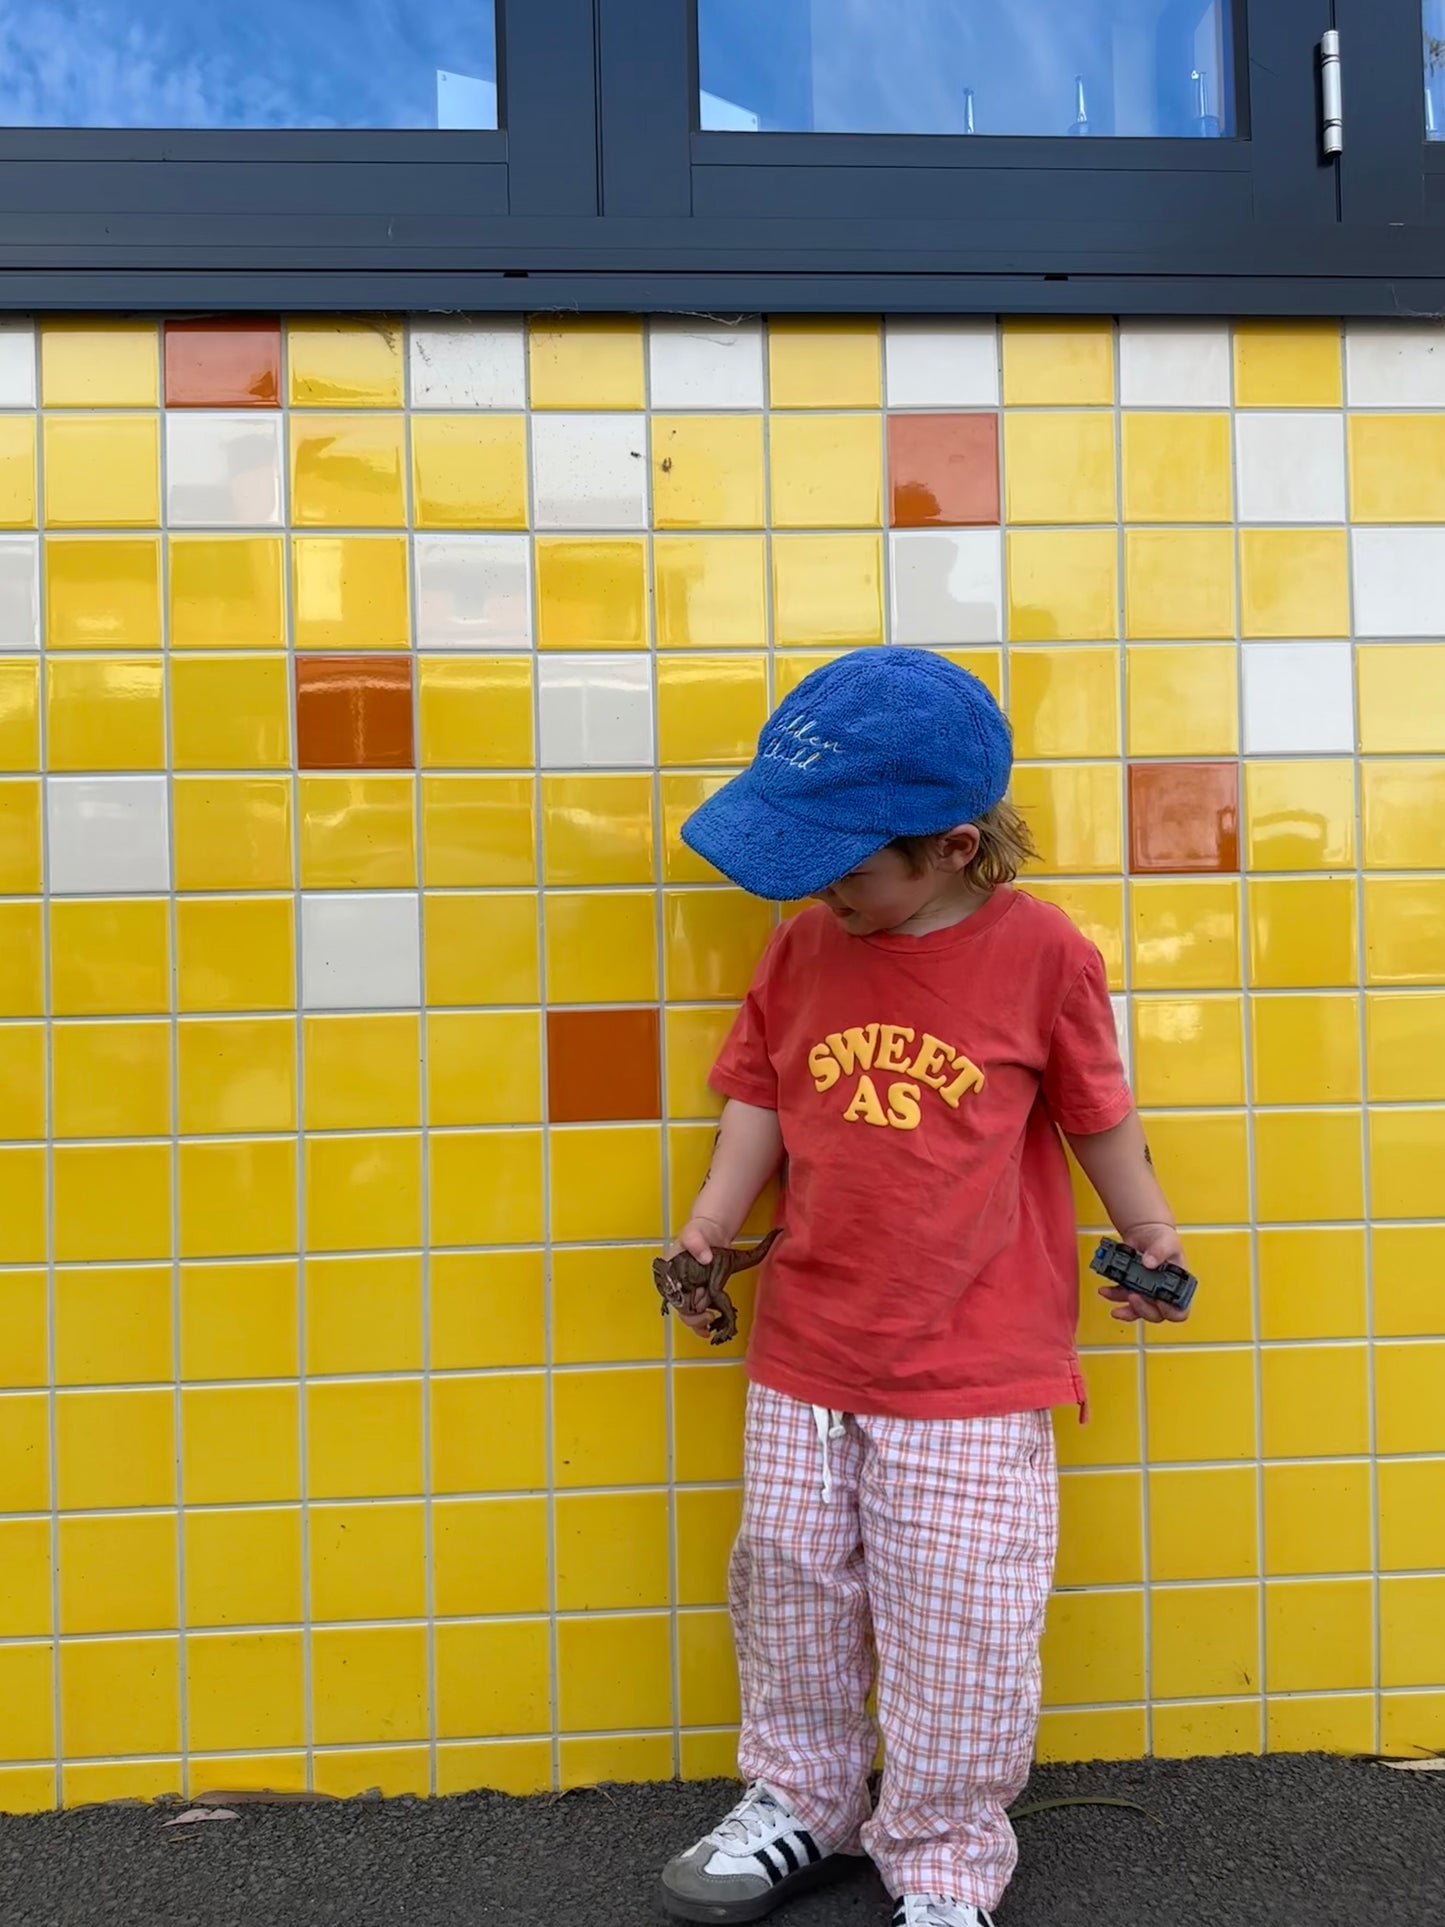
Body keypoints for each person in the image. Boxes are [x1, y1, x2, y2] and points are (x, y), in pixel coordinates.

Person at [657, 648, 1190, 1927]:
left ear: (952, 847)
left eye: (847, 864)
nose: (823, 890)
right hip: (805, 1348)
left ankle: (944, 1855)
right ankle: (799, 1800)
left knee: (959, 1622)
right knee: (786, 1583)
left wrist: (1151, 1231)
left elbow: (1094, 1115)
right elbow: (759, 1099)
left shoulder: (1042, 954)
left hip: (968, 1366)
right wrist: (707, 1227)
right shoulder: (802, 951)